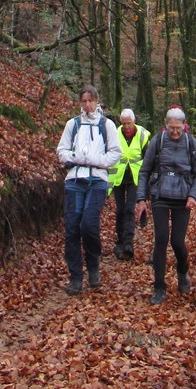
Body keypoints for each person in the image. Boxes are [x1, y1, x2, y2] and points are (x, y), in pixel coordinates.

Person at [135, 106, 196, 305]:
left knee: (177, 241)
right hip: (160, 194)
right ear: (165, 125)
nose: (175, 132)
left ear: (184, 126)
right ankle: (159, 287)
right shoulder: (157, 141)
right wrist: (141, 199)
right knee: (160, 239)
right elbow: (144, 171)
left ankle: (183, 271)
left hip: (183, 197)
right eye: (171, 128)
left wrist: (193, 195)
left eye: (178, 128)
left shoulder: (191, 143)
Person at [57, 84, 120, 294]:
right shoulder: (72, 124)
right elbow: (61, 150)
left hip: (98, 181)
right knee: (72, 229)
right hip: (74, 180)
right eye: (83, 101)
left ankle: (93, 267)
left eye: (90, 101)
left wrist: (96, 160)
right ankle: (75, 276)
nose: (87, 105)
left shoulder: (107, 125)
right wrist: (74, 158)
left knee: (89, 226)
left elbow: (115, 153)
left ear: (96, 101)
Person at [108, 108, 150, 261]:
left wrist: (147, 182)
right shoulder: (114, 134)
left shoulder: (143, 135)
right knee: (120, 210)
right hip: (118, 177)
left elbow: (148, 158)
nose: (126, 126)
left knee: (129, 209)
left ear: (134, 121)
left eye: (129, 123)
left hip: (135, 177)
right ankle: (120, 240)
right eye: (124, 123)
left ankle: (128, 243)